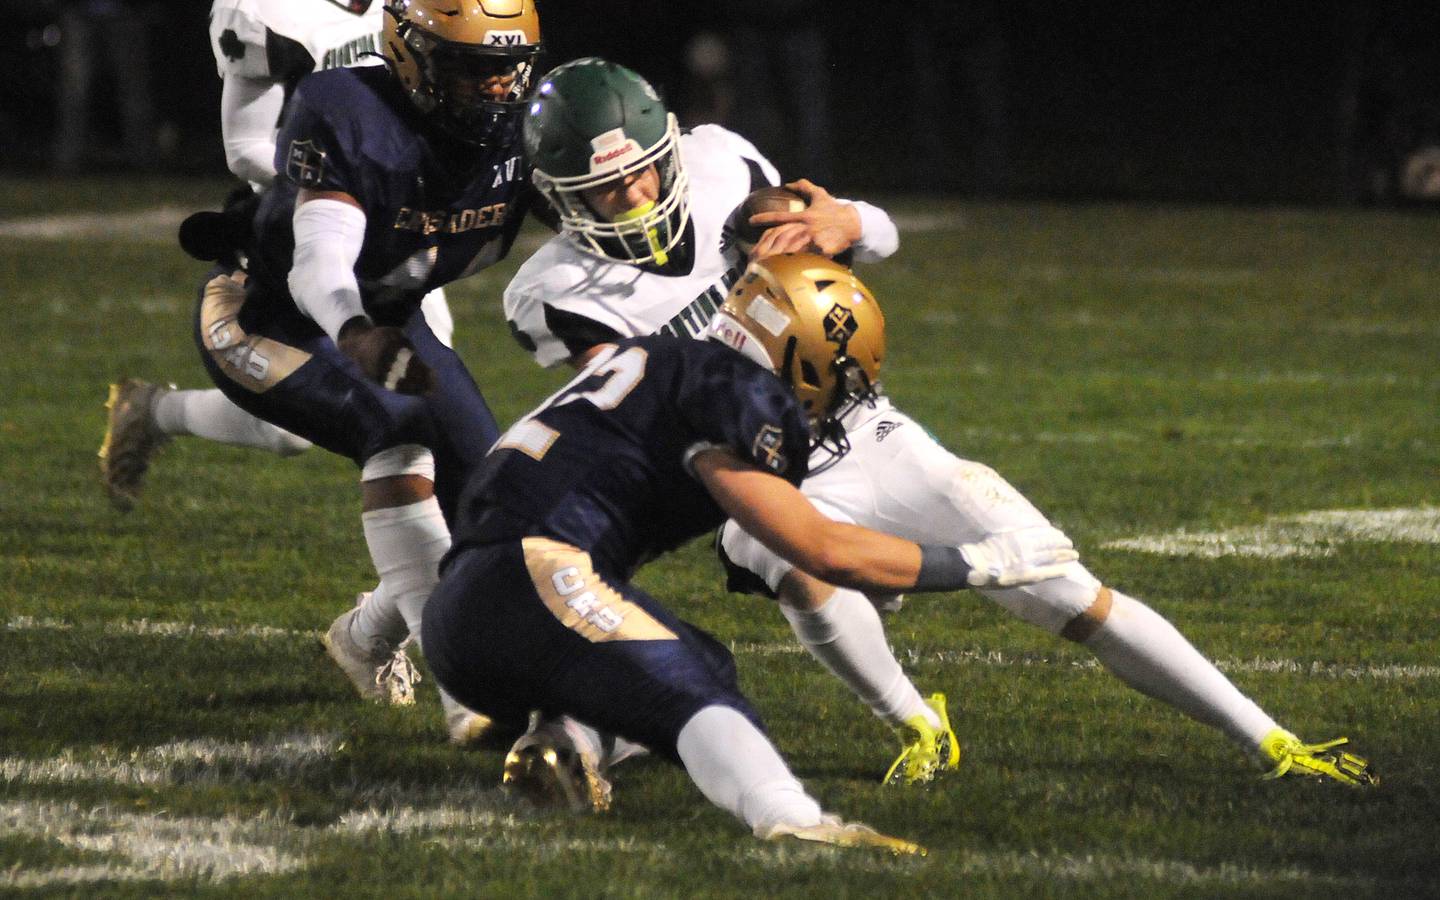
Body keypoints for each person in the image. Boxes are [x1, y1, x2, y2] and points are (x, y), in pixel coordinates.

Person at [504, 58, 1378, 789]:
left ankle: (1272, 741)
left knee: (1067, 589)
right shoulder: (552, 293)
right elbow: (644, 409)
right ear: (557, 196)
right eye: (603, 187)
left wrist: (845, 222)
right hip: (749, 469)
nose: (632, 194)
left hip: (861, 424)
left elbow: (863, 235)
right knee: (790, 561)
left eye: (641, 170)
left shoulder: (721, 162)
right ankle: (919, 726)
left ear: (669, 148)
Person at [423, 253, 1078, 848]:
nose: (838, 398)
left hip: (460, 616)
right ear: (802, 355)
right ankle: (791, 818)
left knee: (708, 659)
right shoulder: (734, 390)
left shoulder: (659, 357)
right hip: (536, 574)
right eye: (842, 377)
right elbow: (821, 550)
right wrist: (986, 563)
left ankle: (560, 742)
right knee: (693, 688)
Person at [179, 0, 542, 743]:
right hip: (267, 314)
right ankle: (464, 689)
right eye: (472, 69)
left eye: (506, 69)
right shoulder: (347, 110)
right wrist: (355, 333)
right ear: (414, 56)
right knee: (396, 430)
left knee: (493, 495)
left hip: (388, 308)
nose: (496, 90)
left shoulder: (524, 126)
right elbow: (320, 261)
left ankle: (366, 636)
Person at [99, 0, 455, 513]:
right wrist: (342, 179)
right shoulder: (267, 10)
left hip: (398, 225)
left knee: (422, 399)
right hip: (306, 228)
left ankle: (423, 577)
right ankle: (156, 412)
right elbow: (244, 144)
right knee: (292, 431)